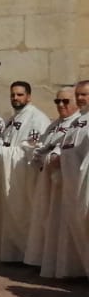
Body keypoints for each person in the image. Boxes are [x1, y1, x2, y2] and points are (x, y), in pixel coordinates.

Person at [0, 81, 52, 263]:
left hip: (25, 177)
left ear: (29, 96)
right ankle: (13, 254)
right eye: (13, 95)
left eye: (19, 95)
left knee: (26, 215)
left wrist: (4, 152)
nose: (15, 98)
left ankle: (30, 256)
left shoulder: (37, 119)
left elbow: (32, 151)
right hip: (10, 176)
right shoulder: (12, 118)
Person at [28, 87, 77, 275]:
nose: (61, 105)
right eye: (58, 102)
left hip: (63, 184)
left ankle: (67, 268)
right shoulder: (54, 124)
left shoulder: (76, 123)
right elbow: (41, 145)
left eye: (66, 101)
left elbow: (67, 150)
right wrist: (38, 152)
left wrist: (51, 154)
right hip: (46, 181)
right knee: (47, 222)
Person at [44, 81, 89, 278]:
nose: (80, 99)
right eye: (78, 95)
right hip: (71, 184)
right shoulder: (78, 120)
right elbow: (64, 145)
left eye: (84, 95)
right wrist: (55, 155)